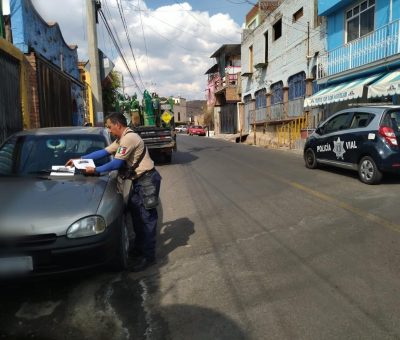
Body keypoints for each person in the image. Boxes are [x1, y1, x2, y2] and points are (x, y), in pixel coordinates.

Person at [67, 112, 161, 272]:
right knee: (136, 214)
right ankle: (139, 249)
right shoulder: (122, 139)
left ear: (118, 125)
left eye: (110, 127)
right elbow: (103, 152)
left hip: (147, 181)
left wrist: (95, 170)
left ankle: (148, 256)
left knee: (146, 219)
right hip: (139, 181)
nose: (109, 131)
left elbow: (116, 164)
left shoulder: (129, 139)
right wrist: (79, 159)